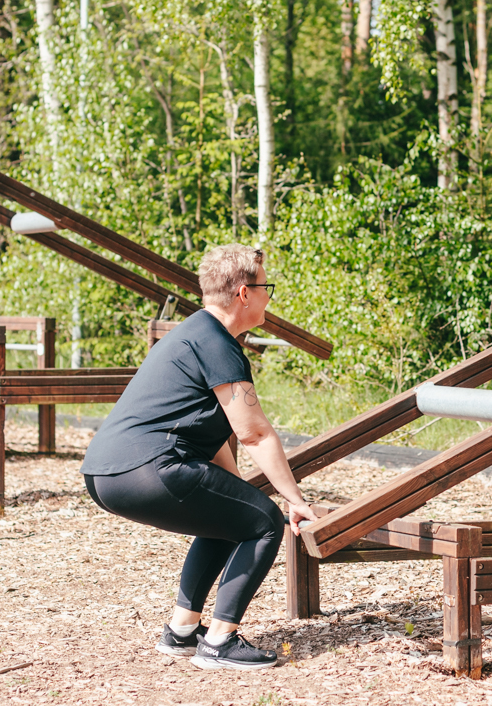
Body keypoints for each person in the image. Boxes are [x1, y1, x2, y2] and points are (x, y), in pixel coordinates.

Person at [81, 244, 316, 670]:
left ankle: (183, 631)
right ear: (244, 293)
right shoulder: (219, 345)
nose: (269, 297)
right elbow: (254, 432)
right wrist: (294, 501)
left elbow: (215, 440)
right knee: (264, 522)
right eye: (267, 288)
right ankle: (220, 642)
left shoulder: (193, 334)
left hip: (106, 472)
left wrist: (238, 494)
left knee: (233, 516)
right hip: (149, 466)